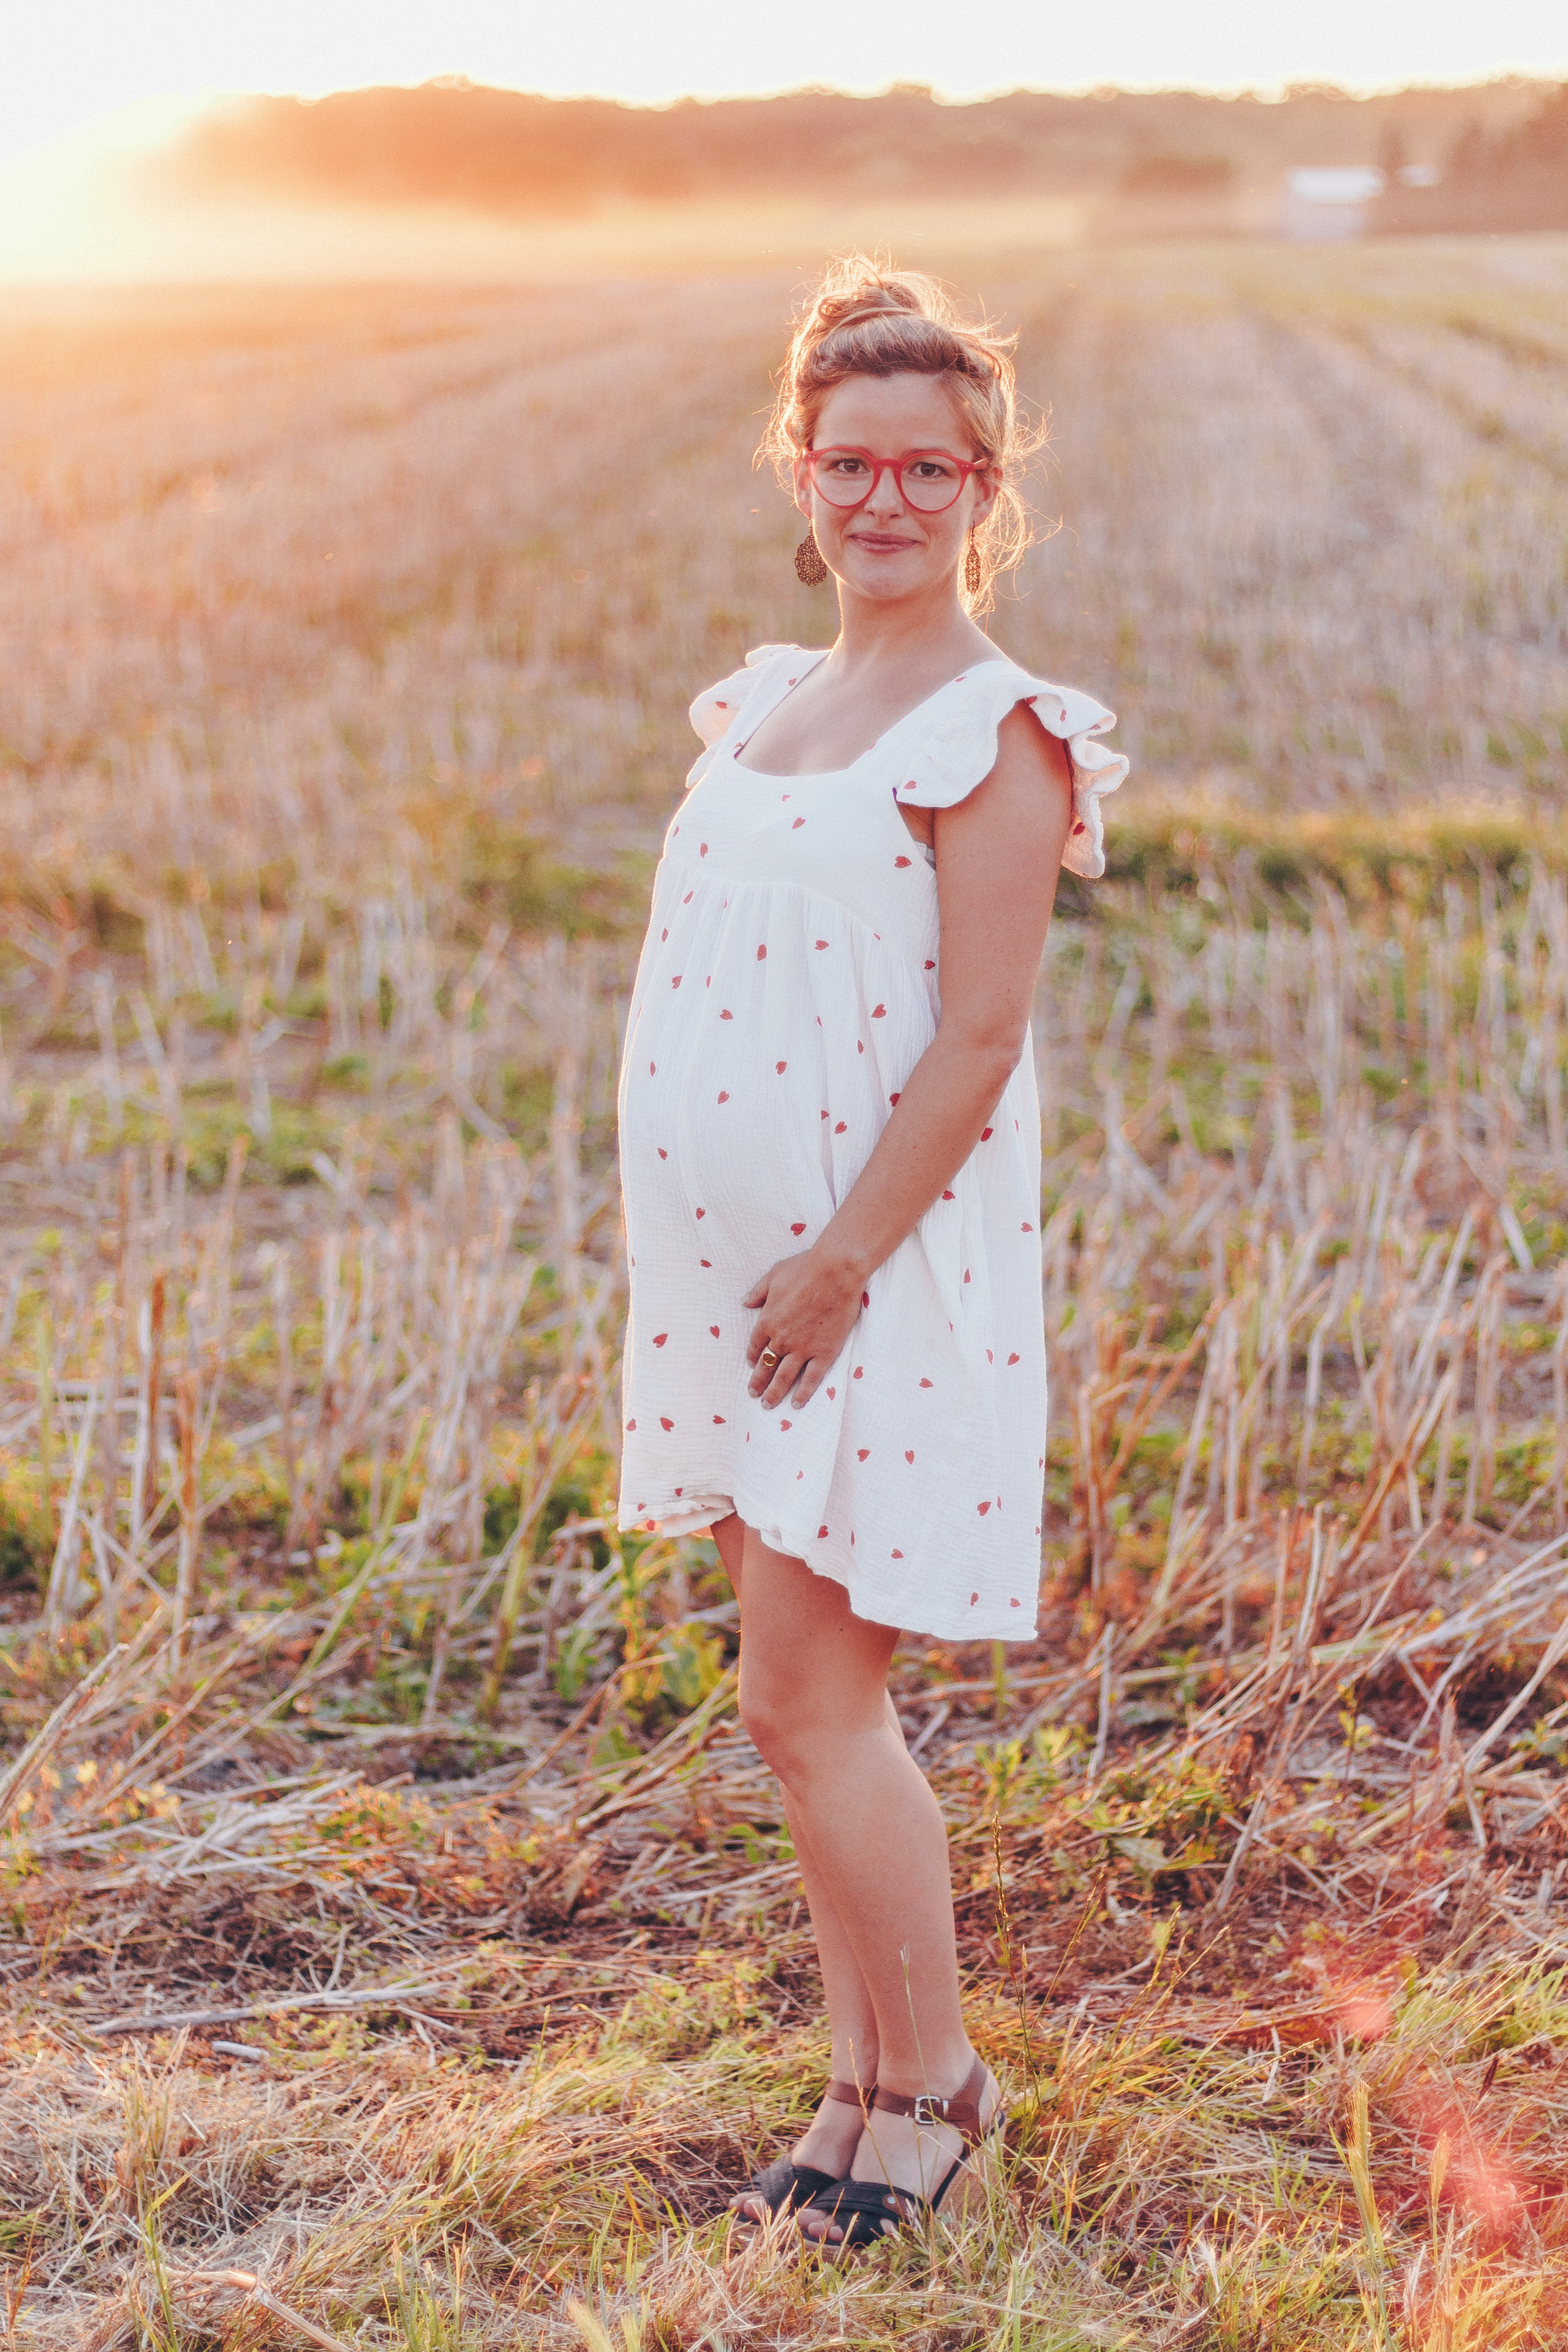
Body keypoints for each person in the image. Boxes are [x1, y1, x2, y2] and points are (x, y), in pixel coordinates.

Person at [615, 258, 1128, 2247]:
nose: (885, 498)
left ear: (986, 484)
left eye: (928, 465)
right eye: (850, 462)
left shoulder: (997, 736)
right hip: (736, 1292)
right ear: (800, 475)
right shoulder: (762, 703)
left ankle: (935, 2086)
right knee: (798, 1711)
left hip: (867, 1282)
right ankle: (854, 2084)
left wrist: (835, 1255)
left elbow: (979, 1040)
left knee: (808, 1707)